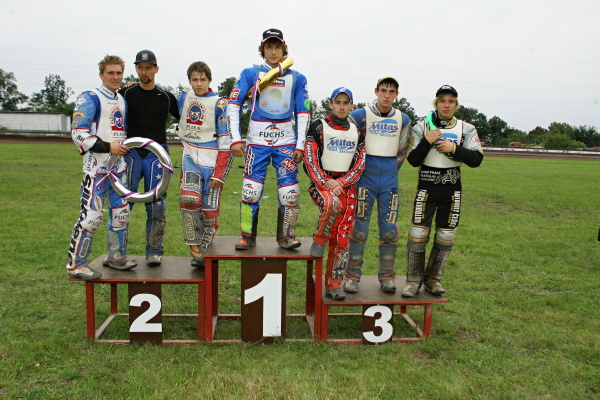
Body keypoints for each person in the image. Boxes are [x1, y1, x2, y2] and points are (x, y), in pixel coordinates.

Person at [227, 28, 310, 250]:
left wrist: (300, 144)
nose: (273, 52)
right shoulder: (249, 73)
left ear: (284, 49)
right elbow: (233, 105)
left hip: (286, 142)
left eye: (277, 47)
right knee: (250, 191)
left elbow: (303, 113)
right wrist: (235, 139)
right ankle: (247, 236)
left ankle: (286, 237)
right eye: (269, 47)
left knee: (289, 194)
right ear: (262, 49)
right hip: (257, 143)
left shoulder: (297, 78)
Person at [401, 85, 484, 297]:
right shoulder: (421, 127)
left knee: (446, 236)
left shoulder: (466, 128)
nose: (446, 105)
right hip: (426, 188)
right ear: (436, 103)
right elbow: (413, 160)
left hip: (452, 189)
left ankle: (433, 279)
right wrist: (427, 141)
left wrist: (453, 148)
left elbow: (477, 159)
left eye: (451, 101)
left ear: (456, 105)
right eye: (442, 101)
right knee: (417, 234)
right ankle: (413, 280)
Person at [66, 55, 136, 280]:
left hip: (118, 169)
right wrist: (108, 147)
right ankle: (76, 265)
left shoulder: (122, 100)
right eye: (110, 73)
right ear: (101, 75)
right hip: (95, 169)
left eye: (119, 73)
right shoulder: (90, 97)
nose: (115, 77)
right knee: (92, 217)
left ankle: (116, 257)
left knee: (121, 215)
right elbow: (78, 134)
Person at [343, 76, 411, 294]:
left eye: (391, 91)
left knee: (389, 229)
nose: (387, 95)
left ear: (397, 94)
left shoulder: (403, 119)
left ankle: (387, 276)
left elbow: (402, 150)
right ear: (376, 91)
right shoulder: (359, 116)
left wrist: (390, 170)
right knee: (359, 228)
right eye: (383, 90)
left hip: (389, 180)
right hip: (365, 179)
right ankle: (352, 276)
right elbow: (351, 146)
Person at [118, 50, 180, 267]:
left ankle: (154, 251)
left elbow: (187, 119)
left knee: (156, 205)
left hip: (156, 154)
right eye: (140, 68)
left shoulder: (166, 97)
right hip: (131, 153)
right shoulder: (125, 94)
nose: (144, 72)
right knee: (122, 204)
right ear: (136, 69)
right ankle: (117, 253)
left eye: (148, 68)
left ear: (156, 69)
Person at [304, 87, 366, 300]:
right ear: (330, 104)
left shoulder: (357, 131)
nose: (341, 106)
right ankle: (319, 239)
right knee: (331, 204)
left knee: (342, 237)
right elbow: (310, 159)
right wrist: (327, 183)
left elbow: (360, 164)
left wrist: (341, 182)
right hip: (322, 183)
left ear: (351, 106)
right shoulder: (318, 126)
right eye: (337, 102)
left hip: (346, 186)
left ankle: (334, 284)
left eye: (346, 103)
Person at [177, 61, 232, 267]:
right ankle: (194, 245)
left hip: (212, 163)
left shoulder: (220, 104)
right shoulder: (184, 97)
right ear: (189, 80)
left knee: (209, 211)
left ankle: (206, 248)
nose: (199, 83)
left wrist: (220, 174)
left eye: (202, 79)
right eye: (194, 79)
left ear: (209, 80)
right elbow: (159, 98)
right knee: (189, 200)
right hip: (190, 158)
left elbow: (225, 142)